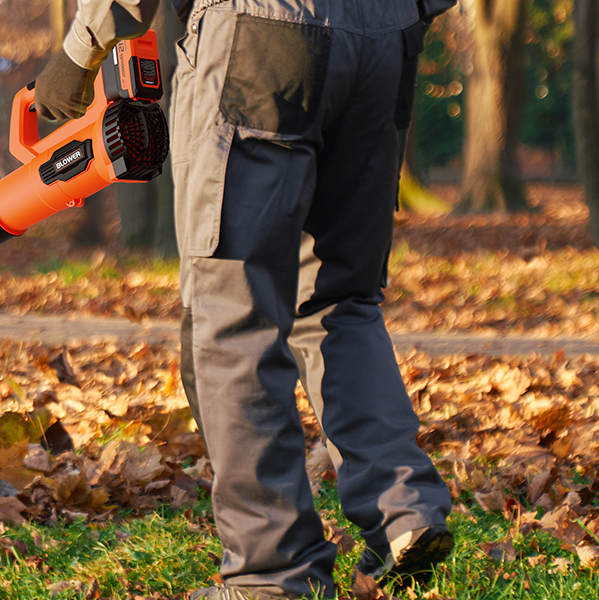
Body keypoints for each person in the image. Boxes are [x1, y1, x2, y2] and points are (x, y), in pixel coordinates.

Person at [34, 0, 458, 598]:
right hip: (386, 40)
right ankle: (404, 513)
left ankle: (271, 573)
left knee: (234, 316)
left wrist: (78, 54)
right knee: (341, 300)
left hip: (260, 39)